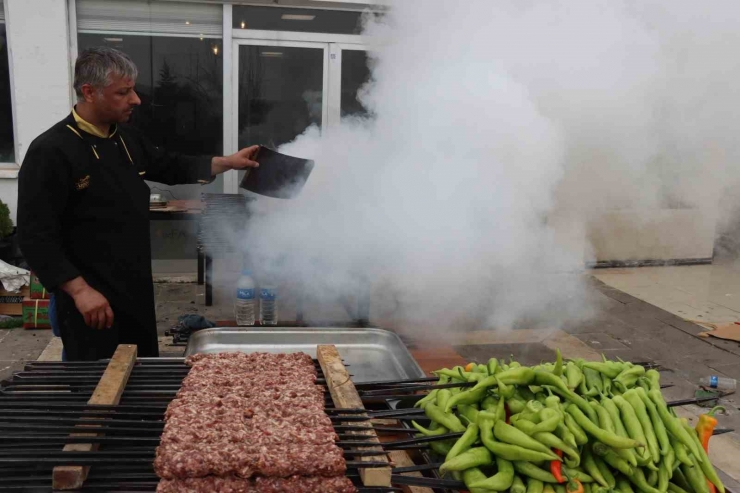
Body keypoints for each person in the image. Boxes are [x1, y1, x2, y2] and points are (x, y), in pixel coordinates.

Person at [17, 47, 259, 361]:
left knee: (138, 373)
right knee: (97, 387)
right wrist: (79, 291)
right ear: (89, 92)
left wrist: (227, 162)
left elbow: (171, 165)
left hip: (134, 290)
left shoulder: (125, 139)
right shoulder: (50, 151)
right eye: (124, 92)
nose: (136, 100)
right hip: (90, 299)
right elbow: (35, 236)